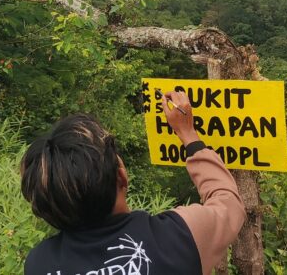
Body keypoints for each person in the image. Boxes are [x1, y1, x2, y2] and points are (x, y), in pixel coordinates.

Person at [20, 91, 246, 275]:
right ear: (121, 177)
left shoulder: (39, 264)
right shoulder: (178, 238)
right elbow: (227, 202)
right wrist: (188, 134)